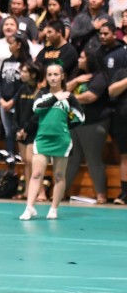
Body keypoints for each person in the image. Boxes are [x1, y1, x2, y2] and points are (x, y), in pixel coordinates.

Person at [20, 62, 84, 220]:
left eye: (56, 74)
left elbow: (81, 117)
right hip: (42, 140)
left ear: (62, 76)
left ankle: (54, 208)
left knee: (59, 175)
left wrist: (65, 127)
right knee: (36, 174)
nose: (53, 78)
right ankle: (29, 208)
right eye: (49, 75)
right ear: (46, 78)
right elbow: (37, 108)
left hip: (61, 141)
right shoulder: (42, 94)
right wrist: (56, 97)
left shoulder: (69, 97)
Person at [65, 50, 112, 204]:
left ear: (91, 60)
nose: (79, 59)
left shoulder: (99, 77)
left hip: (93, 123)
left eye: (83, 57)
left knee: (93, 158)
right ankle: (61, 192)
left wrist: (71, 97)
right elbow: (62, 91)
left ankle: (101, 194)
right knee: (72, 158)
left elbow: (90, 97)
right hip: (74, 122)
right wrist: (76, 80)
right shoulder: (78, 75)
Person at [0, 31, 32, 158]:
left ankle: (23, 156)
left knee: (20, 129)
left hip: (20, 103)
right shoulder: (5, 61)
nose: (9, 45)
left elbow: (25, 85)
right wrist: (0, 99)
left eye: (12, 43)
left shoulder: (27, 62)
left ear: (19, 45)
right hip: (3, 103)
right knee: (8, 131)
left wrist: (13, 101)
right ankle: (10, 155)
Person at [14, 60, 46, 201]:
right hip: (21, 130)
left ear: (33, 74)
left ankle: (42, 192)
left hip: (34, 131)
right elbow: (16, 111)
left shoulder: (40, 91)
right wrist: (17, 129)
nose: (22, 74)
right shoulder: (22, 89)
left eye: (25, 71)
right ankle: (28, 191)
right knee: (26, 162)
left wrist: (26, 129)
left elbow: (38, 114)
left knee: (32, 161)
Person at [108, 64, 127, 204]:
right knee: (125, 157)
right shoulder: (122, 72)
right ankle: (125, 193)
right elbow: (112, 91)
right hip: (123, 120)